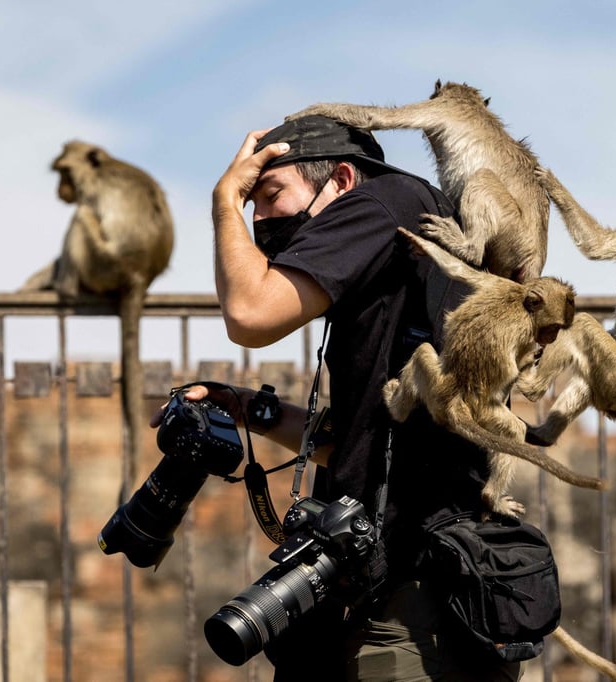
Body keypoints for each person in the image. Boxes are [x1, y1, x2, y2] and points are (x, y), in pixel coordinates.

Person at [180, 115, 523, 681]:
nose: (259, 219)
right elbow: (356, 445)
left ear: (340, 180)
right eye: (250, 205)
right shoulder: (397, 243)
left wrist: (224, 200)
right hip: (394, 578)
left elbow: (249, 313)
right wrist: (249, 408)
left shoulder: (381, 203)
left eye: (268, 196)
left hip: (416, 589)